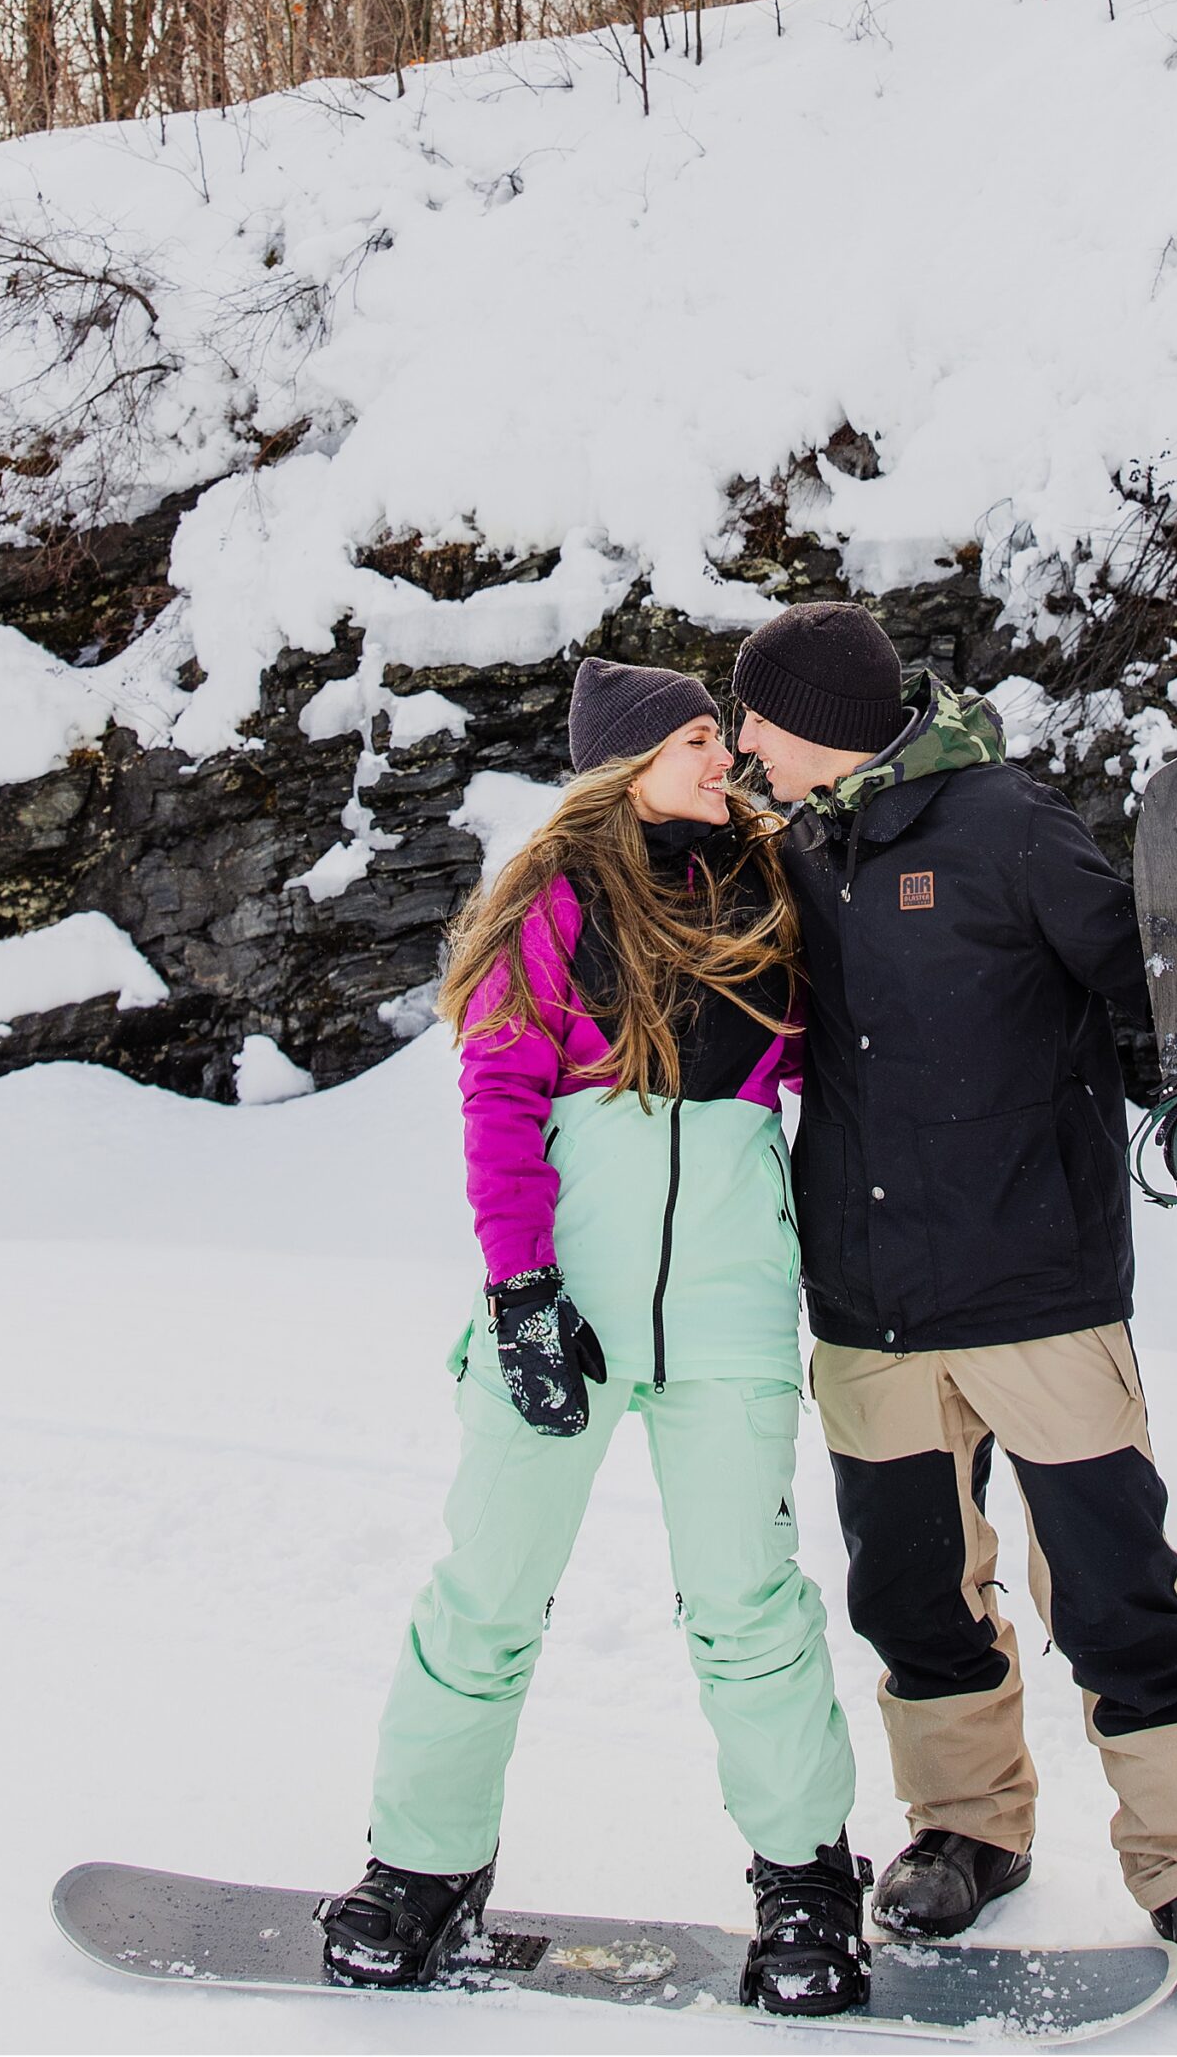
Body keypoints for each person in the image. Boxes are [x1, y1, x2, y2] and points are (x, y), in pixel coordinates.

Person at [732, 601, 1177, 2011]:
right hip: (865, 1308)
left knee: (1113, 1593)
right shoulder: (799, 849)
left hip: (1036, 1288)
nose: (743, 746)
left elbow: (1174, 1016)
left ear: (822, 718)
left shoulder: (1008, 828)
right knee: (915, 1590)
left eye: (757, 721)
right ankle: (965, 1830)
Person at [321, 658, 867, 2015]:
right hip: (571, 1300)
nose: (722, 759)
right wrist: (520, 1294)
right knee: (489, 1596)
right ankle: (421, 1869)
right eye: (696, 739)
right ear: (623, 763)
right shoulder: (557, 904)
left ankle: (805, 1880)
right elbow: (501, 1099)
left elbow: (826, 1073)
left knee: (753, 1606)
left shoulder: (777, 896)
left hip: (733, 1302)